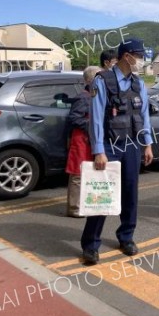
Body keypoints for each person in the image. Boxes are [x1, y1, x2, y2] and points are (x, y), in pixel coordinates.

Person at [80, 38, 153, 265]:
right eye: (139, 56)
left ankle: (126, 236)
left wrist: (148, 143)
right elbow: (97, 120)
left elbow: (144, 116)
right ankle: (91, 244)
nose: (141, 61)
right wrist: (98, 150)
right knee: (101, 196)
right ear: (127, 56)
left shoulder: (138, 83)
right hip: (110, 146)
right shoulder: (102, 81)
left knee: (130, 193)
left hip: (132, 145)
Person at [65, 66, 101, 218]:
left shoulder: (95, 95)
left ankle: (88, 203)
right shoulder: (83, 97)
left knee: (91, 173)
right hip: (82, 139)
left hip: (90, 139)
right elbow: (74, 118)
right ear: (89, 80)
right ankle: (74, 207)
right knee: (78, 174)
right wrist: (91, 125)